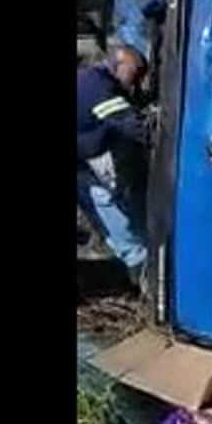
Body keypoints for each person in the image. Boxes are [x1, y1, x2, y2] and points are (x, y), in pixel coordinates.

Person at [77, 44, 151, 287]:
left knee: (102, 197)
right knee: (103, 198)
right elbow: (130, 124)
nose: (136, 82)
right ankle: (138, 263)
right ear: (118, 64)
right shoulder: (99, 89)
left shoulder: (96, 81)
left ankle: (135, 259)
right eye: (135, 72)